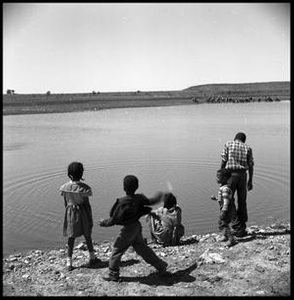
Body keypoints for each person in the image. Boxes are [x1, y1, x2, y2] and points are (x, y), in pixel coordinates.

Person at [98, 175, 169, 282]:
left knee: (117, 250)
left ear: (124, 188)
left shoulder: (123, 203)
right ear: (137, 186)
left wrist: (104, 222)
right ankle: (161, 266)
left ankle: (113, 274)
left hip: (128, 230)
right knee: (143, 249)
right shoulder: (139, 198)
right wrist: (159, 195)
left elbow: (114, 219)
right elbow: (151, 201)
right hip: (136, 227)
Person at [59, 162, 100, 271]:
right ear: (81, 174)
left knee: (71, 237)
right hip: (83, 213)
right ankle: (92, 258)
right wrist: (89, 217)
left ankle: (69, 262)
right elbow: (86, 204)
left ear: (69, 174)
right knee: (87, 235)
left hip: (70, 213)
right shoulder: (84, 188)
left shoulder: (64, 187)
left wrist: (69, 213)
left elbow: (66, 203)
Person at [220, 132, 254, 237]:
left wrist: (222, 176)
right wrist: (250, 181)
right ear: (244, 140)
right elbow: (251, 166)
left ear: (235, 138)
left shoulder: (228, 144)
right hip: (243, 176)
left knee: (228, 200)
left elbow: (223, 161)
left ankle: (235, 225)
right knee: (242, 201)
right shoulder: (248, 148)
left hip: (231, 175)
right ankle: (242, 226)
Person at [212, 169, 238, 247]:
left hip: (227, 209)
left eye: (219, 177)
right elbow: (224, 198)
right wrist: (216, 199)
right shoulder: (223, 187)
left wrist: (224, 211)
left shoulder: (225, 189)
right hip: (226, 208)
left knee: (223, 224)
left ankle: (231, 239)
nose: (217, 179)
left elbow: (226, 201)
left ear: (225, 178)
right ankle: (225, 236)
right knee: (223, 223)